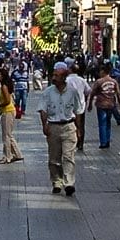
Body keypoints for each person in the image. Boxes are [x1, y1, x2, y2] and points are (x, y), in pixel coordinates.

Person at [37, 62, 84, 196]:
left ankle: (69, 183)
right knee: (54, 158)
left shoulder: (72, 92)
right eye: (53, 75)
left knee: (68, 156)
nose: (54, 78)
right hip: (53, 127)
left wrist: (78, 129)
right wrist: (44, 124)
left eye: (57, 75)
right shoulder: (48, 92)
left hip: (69, 126)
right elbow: (43, 110)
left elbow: (78, 111)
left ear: (64, 78)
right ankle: (57, 181)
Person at [88, 66, 120, 149]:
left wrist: (90, 104)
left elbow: (92, 93)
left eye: (100, 71)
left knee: (102, 124)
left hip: (101, 104)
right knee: (108, 123)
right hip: (111, 104)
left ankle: (103, 142)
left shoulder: (99, 82)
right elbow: (118, 94)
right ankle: (108, 140)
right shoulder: (114, 81)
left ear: (103, 71)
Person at [0, 66, 23, 163]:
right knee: (9, 134)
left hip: (7, 111)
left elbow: (8, 101)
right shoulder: (3, 85)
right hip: (8, 111)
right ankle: (17, 154)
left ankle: (7, 157)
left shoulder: (4, 86)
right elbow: (3, 97)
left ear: (3, 76)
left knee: (6, 136)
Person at [65, 62, 92, 151]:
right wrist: (85, 99)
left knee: (71, 125)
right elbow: (88, 91)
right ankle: (81, 143)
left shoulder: (66, 80)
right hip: (81, 106)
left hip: (69, 106)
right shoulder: (82, 80)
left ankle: (73, 141)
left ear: (71, 70)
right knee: (80, 125)